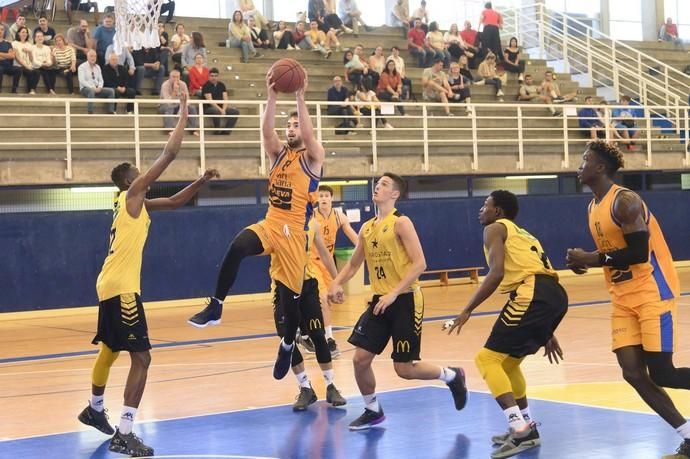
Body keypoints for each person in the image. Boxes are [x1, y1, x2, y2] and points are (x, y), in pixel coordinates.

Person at [77, 93, 219, 457]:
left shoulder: (132, 204)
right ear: (128, 181)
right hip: (123, 287)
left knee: (110, 349)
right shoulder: (132, 194)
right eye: (137, 173)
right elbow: (168, 155)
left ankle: (94, 409)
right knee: (142, 358)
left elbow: (173, 202)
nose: (143, 174)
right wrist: (184, 114)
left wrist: (200, 181)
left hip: (109, 284)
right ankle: (124, 432)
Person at [187, 71, 327, 386]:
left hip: (294, 234)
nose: (291, 129)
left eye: (296, 125)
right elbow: (266, 132)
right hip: (271, 222)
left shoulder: (313, 158)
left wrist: (300, 97)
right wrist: (272, 95)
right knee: (238, 246)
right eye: (288, 125)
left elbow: (308, 131)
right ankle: (216, 305)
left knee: (290, 305)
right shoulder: (278, 154)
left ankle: (288, 344)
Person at [566, 140, 690, 459]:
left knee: (663, 373)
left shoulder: (626, 201)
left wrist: (593, 259)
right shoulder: (592, 207)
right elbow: (612, 254)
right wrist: (585, 262)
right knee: (632, 373)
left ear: (600, 168)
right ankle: (688, 435)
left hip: (652, 293)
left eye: (584, 160)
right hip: (622, 298)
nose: (578, 166)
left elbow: (637, 253)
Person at [328, 172, 468, 430]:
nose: (377, 187)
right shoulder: (367, 228)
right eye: (377, 183)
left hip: (405, 299)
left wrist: (394, 293)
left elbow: (420, 264)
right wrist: (335, 282)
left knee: (404, 369)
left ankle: (451, 376)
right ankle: (372, 409)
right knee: (360, 359)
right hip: (380, 302)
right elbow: (355, 263)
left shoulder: (401, 223)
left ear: (395, 194)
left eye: (384, 185)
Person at [447, 189, 568, 459]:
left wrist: (467, 309)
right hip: (553, 295)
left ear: (497, 211)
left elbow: (497, 272)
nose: (481, 209)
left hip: (532, 294)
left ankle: (520, 429)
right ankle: (525, 426)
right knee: (508, 363)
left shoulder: (494, 228)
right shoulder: (523, 233)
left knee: (487, 359)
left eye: (485, 205)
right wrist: (546, 330)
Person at [274, 218, 348, 410]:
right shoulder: (274, 222)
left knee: (318, 335)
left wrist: (336, 281)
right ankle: (305, 388)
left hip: (308, 286)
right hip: (282, 288)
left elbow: (324, 254)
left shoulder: (312, 224)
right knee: (287, 341)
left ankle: (331, 386)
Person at [300, 185, 359, 356]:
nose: (324, 198)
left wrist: (364, 247)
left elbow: (354, 236)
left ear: (332, 198)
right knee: (324, 298)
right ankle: (329, 339)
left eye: (327, 195)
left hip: (327, 263)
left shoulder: (339, 216)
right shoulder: (312, 216)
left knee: (328, 302)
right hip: (311, 263)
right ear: (317, 199)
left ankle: (306, 333)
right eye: (321, 196)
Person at [159, 69, 199, 135]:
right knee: (169, 107)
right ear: (170, 77)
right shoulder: (165, 85)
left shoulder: (183, 84)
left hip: (180, 105)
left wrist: (183, 106)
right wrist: (174, 91)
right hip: (164, 106)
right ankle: (169, 129)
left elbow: (187, 99)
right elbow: (167, 102)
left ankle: (193, 129)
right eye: (173, 77)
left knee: (192, 108)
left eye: (177, 77)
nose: (176, 79)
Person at [201, 67, 239, 135]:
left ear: (218, 76)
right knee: (216, 111)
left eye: (215, 76)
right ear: (209, 76)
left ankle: (226, 131)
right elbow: (210, 101)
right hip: (208, 108)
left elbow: (225, 98)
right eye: (212, 76)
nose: (214, 78)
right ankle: (217, 130)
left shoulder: (222, 85)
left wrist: (223, 109)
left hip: (221, 107)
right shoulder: (206, 86)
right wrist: (221, 110)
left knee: (235, 112)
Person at [78, 49, 115, 114]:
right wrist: (93, 87)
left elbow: (101, 80)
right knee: (91, 91)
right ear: (87, 57)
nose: (93, 58)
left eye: (95, 56)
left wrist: (100, 87)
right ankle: (90, 112)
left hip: (97, 88)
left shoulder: (98, 67)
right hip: (85, 88)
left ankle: (111, 111)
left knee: (111, 91)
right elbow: (82, 81)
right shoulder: (82, 67)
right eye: (91, 56)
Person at [12, 26, 39, 94]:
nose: (25, 34)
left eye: (26, 32)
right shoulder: (14, 43)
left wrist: (29, 52)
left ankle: (32, 89)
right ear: (18, 33)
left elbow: (31, 59)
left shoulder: (29, 44)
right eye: (23, 32)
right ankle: (26, 89)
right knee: (28, 71)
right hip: (19, 65)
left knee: (37, 72)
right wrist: (27, 66)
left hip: (28, 65)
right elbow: (17, 58)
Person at [31, 30, 57, 95]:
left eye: (41, 36)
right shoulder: (32, 47)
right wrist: (42, 63)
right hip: (36, 66)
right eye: (38, 36)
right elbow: (34, 60)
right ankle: (33, 89)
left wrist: (47, 63)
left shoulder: (47, 48)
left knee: (52, 71)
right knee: (40, 71)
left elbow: (49, 60)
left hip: (45, 66)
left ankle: (52, 89)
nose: (40, 38)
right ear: (35, 38)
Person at [0, 23, 19, 93]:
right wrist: (7, 55)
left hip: (7, 66)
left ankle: (14, 89)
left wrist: (1, 54)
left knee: (18, 70)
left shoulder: (8, 43)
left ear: (4, 31)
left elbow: (12, 56)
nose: (0, 31)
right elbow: (9, 55)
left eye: (2, 29)